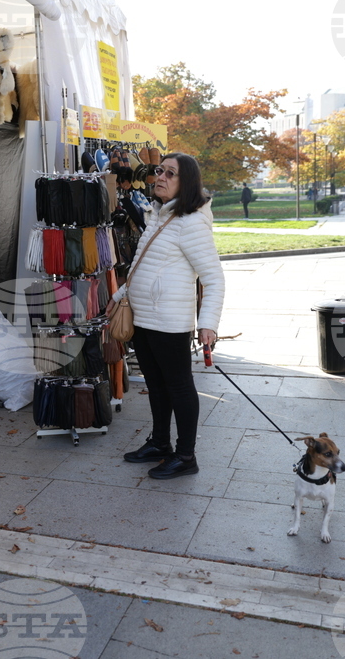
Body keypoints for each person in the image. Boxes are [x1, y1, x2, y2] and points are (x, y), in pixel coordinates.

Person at [111, 153, 225, 479]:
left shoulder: (191, 223)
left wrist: (208, 324)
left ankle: (186, 456)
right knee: (156, 385)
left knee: (180, 387)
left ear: (186, 182)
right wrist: (118, 297)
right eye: (160, 170)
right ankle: (160, 442)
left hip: (170, 322)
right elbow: (142, 265)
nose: (160, 176)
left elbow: (214, 278)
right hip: (144, 318)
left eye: (170, 173)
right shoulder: (160, 214)